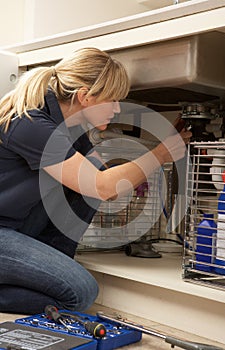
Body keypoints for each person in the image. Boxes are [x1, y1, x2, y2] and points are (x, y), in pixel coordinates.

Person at [0, 47, 191, 314]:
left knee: (86, 190)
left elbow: (105, 186)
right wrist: (160, 154)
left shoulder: (71, 128)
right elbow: (104, 185)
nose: (116, 109)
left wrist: (161, 146)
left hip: (16, 227)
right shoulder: (30, 123)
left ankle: (49, 269)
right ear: (85, 97)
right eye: (112, 100)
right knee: (79, 294)